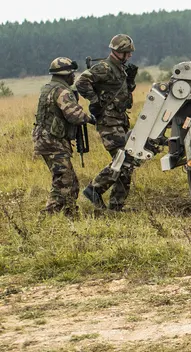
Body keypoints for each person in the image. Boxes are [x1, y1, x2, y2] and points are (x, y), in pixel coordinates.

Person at [78, 34, 140, 212]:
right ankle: (94, 189)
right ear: (117, 52)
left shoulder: (120, 68)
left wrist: (130, 81)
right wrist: (95, 100)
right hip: (108, 122)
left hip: (119, 120)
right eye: (127, 53)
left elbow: (123, 92)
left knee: (126, 164)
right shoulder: (104, 67)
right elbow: (82, 81)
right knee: (123, 159)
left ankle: (116, 206)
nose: (129, 56)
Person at [31, 57, 93, 217]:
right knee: (63, 182)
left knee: (70, 182)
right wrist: (90, 118)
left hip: (47, 140)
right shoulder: (62, 91)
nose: (74, 77)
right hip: (53, 142)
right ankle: (46, 217)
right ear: (66, 74)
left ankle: (71, 214)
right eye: (72, 73)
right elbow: (75, 116)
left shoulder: (48, 88)